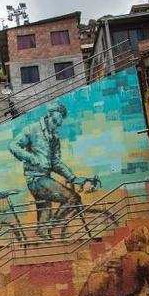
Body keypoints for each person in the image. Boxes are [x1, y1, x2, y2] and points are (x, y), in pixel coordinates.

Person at [9, 102, 93, 238]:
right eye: (54, 121)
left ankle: (43, 235)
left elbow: (55, 162)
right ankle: (50, 226)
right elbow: (13, 146)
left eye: (58, 124)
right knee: (73, 198)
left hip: (45, 179)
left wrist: (73, 178)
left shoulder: (54, 138)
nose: (55, 126)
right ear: (49, 116)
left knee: (45, 216)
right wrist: (30, 157)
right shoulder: (32, 129)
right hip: (36, 180)